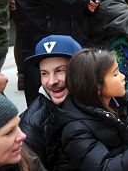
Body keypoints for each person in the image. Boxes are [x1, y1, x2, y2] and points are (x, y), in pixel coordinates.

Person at [19, 35, 82, 170]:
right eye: (44, 73)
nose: (52, 81)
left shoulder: (101, 98)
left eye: (60, 70)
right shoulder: (31, 124)